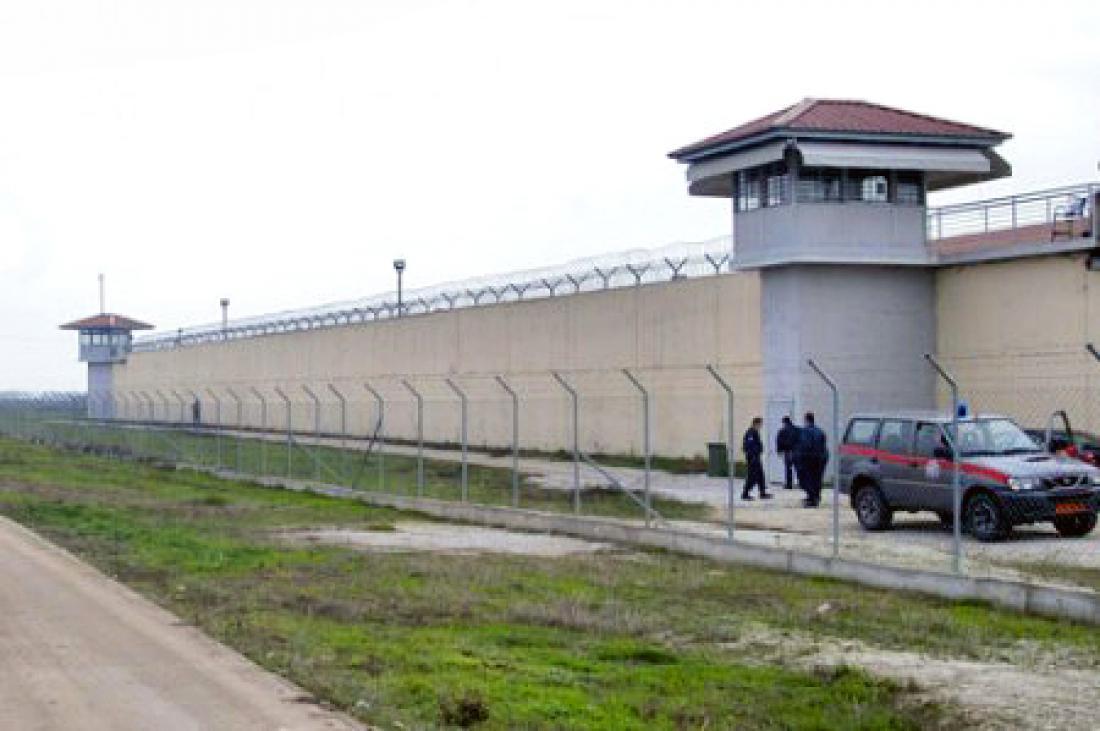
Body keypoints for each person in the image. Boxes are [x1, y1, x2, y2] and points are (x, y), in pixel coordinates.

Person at [794, 411, 828, 508]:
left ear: (806, 420)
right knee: (817, 478)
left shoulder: (805, 431)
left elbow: (805, 445)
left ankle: (812, 498)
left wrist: (798, 457)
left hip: (809, 458)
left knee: (807, 479)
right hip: (821, 458)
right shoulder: (820, 431)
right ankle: (815, 496)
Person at [741, 417, 772, 500]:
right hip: (753, 458)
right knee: (752, 476)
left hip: (756, 457)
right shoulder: (750, 433)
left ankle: (762, 493)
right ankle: (745, 494)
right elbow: (749, 446)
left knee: (760, 476)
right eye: (760, 424)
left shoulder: (755, 432)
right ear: (756, 424)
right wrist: (754, 454)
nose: (761, 426)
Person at [776, 415, 800, 490]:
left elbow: (779, 441)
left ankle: (789, 485)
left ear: (784, 422)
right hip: (797, 451)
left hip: (788, 451)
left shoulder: (782, 431)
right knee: (798, 467)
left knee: (788, 468)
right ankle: (801, 483)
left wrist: (779, 450)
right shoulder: (797, 429)